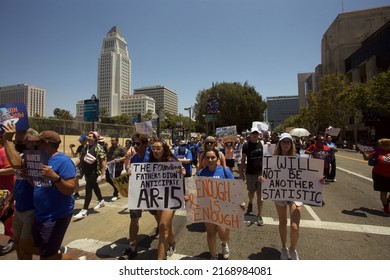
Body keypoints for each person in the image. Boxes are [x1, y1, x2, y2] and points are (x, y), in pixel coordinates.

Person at [28, 130, 77, 260]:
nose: (35, 145)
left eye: (38, 142)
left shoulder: (64, 161)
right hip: (41, 214)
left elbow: (70, 189)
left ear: (46, 144)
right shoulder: (40, 159)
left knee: (46, 257)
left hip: (56, 216)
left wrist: (55, 177)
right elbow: (38, 184)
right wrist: (27, 177)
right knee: (41, 252)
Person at [261, 133, 302, 260]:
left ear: (291, 144)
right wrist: (263, 179)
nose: (286, 144)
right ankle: (284, 247)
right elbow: (268, 175)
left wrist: (318, 181)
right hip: (280, 194)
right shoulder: (273, 159)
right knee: (283, 222)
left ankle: (293, 248)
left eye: (288, 142)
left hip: (296, 194)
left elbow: (308, 175)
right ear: (280, 144)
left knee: (295, 227)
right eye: (283, 142)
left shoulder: (298, 157)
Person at [119, 133, 159, 260]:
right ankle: (132, 248)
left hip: (151, 192)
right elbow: (130, 168)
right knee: (134, 218)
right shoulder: (135, 157)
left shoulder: (152, 156)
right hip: (137, 192)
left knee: (155, 212)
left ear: (145, 144)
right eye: (133, 143)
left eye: (137, 143)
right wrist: (129, 169)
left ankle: (160, 227)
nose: (135, 146)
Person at [2, 124, 39, 259]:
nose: (16, 143)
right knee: (19, 245)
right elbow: (19, 179)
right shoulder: (23, 154)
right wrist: (10, 200)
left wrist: (7, 140)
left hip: (32, 209)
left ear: (31, 141)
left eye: (19, 141)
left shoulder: (36, 155)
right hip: (20, 208)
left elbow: (17, 165)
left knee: (27, 247)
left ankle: (56, 254)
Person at [196, 147, 239, 259]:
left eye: (213, 157)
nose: (210, 160)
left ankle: (224, 244)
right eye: (208, 157)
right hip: (208, 208)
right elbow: (197, 190)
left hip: (223, 207)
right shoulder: (201, 173)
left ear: (217, 158)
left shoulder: (225, 171)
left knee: (223, 233)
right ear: (204, 159)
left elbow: (233, 188)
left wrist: (238, 202)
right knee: (210, 233)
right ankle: (213, 256)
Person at [149, 139, 184, 260]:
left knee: (163, 227)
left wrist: (182, 174)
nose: (155, 150)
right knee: (165, 224)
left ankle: (160, 260)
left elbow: (179, 181)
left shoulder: (173, 162)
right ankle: (172, 243)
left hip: (171, 198)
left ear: (164, 150)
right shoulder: (151, 162)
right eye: (153, 148)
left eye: (158, 148)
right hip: (158, 198)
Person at [73, 131, 107, 220]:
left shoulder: (99, 148)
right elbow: (80, 158)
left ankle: (84, 210)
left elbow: (103, 161)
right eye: (88, 136)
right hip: (86, 171)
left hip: (94, 172)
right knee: (94, 186)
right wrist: (72, 166)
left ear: (95, 138)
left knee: (88, 189)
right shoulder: (85, 147)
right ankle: (101, 201)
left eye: (91, 136)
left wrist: (103, 174)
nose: (88, 137)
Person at [239, 127, 264, 225]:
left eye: (256, 133)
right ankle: (250, 201)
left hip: (261, 174)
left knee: (260, 195)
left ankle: (259, 215)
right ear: (250, 134)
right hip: (250, 173)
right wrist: (241, 172)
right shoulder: (246, 145)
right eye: (253, 133)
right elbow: (243, 159)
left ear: (258, 135)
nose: (255, 135)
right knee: (251, 192)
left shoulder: (262, 145)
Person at [362, 138, 390, 216]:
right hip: (380, 175)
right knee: (383, 191)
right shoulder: (377, 152)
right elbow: (366, 158)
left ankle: (387, 201)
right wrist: (364, 152)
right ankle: (386, 207)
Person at [0, 135, 16, 256]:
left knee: (7, 217)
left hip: (6, 192)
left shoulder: (4, 151)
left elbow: (12, 169)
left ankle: (13, 241)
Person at [105, 136, 127, 201]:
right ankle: (118, 187)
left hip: (118, 167)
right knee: (108, 178)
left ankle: (115, 194)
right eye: (111, 140)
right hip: (110, 167)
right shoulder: (110, 148)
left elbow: (126, 156)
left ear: (117, 141)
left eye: (113, 140)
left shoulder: (121, 148)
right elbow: (107, 156)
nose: (112, 142)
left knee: (115, 180)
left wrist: (120, 159)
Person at [69, 134, 87, 199]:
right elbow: (75, 155)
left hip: (87, 165)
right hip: (80, 166)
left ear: (85, 140)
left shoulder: (88, 147)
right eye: (79, 141)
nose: (80, 142)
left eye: (81, 141)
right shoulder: (80, 147)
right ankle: (76, 193)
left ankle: (87, 193)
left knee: (88, 180)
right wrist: (71, 148)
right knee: (76, 179)